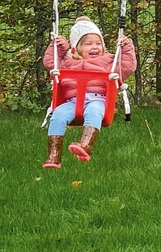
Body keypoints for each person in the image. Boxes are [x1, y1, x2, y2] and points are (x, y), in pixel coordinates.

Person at [41, 16, 136, 168]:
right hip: (72, 102)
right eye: (88, 44)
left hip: (97, 100)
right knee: (57, 114)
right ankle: (54, 155)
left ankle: (86, 145)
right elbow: (51, 63)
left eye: (99, 43)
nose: (95, 47)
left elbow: (127, 66)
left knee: (94, 111)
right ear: (75, 48)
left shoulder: (108, 61)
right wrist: (59, 48)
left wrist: (127, 48)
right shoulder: (68, 61)